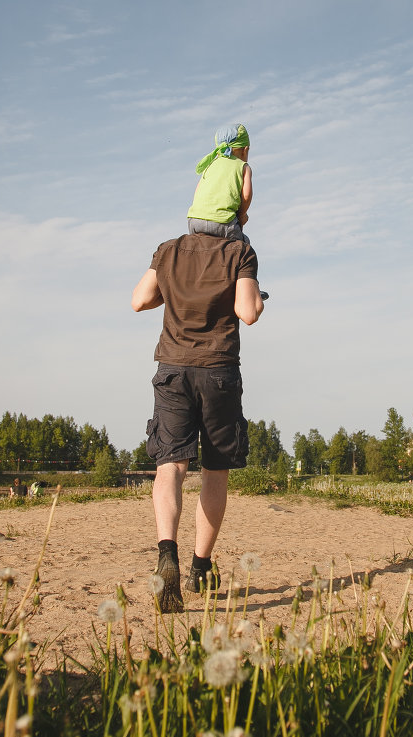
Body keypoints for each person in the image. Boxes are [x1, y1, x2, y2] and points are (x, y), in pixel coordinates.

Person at [131, 230, 265, 613]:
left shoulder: (168, 250)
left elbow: (140, 300)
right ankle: (200, 568)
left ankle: (166, 553)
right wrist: (257, 296)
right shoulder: (239, 251)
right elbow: (248, 312)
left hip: (173, 369)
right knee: (214, 471)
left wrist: (173, 292)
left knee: (170, 466)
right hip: (218, 371)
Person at [187, 124, 252, 244]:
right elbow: (246, 196)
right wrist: (241, 216)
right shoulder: (243, 166)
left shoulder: (210, 164)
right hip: (222, 222)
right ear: (245, 149)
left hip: (194, 221)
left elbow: (197, 193)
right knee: (244, 245)